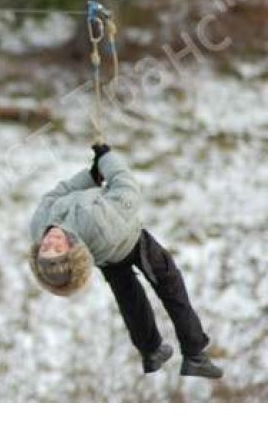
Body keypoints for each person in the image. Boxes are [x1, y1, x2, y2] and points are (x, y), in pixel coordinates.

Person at [28, 144, 223, 378]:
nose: (51, 241)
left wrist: (91, 176)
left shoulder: (39, 226)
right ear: (72, 249)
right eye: (57, 249)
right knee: (170, 285)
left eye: (46, 248)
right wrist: (107, 159)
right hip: (132, 242)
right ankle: (195, 355)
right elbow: (127, 188)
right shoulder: (95, 222)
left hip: (107, 258)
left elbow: (55, 195)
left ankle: (151, 352)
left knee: (129, 297)